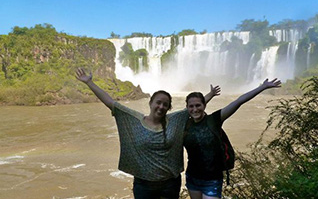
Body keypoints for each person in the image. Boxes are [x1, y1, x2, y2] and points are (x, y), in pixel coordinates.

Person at [75, 68, 220, 199]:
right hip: (144, 185)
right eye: (158, 102)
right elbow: (111, 103)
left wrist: (211, 95)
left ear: (169, 108)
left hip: (170, 184)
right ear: (150, 103)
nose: (161, 106)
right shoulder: (134, 120)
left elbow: (194, 108)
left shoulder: (175, 120)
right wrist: (89, 83)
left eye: (165, 104)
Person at [183, 78, 281, 199]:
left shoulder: (214, 120)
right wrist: (211, 94)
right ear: (187, 108)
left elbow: (238, 101)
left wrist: (262, 87)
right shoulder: (184, 124)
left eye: (198, 105)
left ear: (204, 105)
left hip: (212, 179)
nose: (194, 109)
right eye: (191, 106)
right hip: (193, 178)